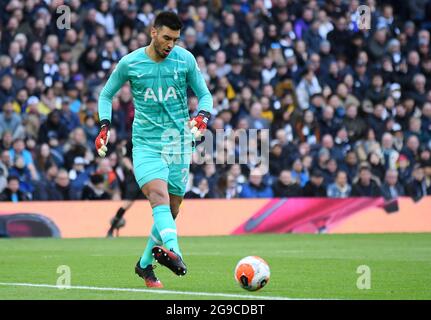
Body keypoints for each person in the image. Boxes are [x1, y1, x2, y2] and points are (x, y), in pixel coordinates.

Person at [95, 12, 213, 288]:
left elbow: (205, 94)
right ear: (153, 32)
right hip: (146, 145)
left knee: (171, 210)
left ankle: (145, 264)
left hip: (179, 144)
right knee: (158, 197)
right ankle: (176, 253)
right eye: (166, 37)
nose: (171, 44)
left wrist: (203, 115)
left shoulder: (185, 60)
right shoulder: (130, 62)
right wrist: (104, 126)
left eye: (175, 39)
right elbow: (106, 94)